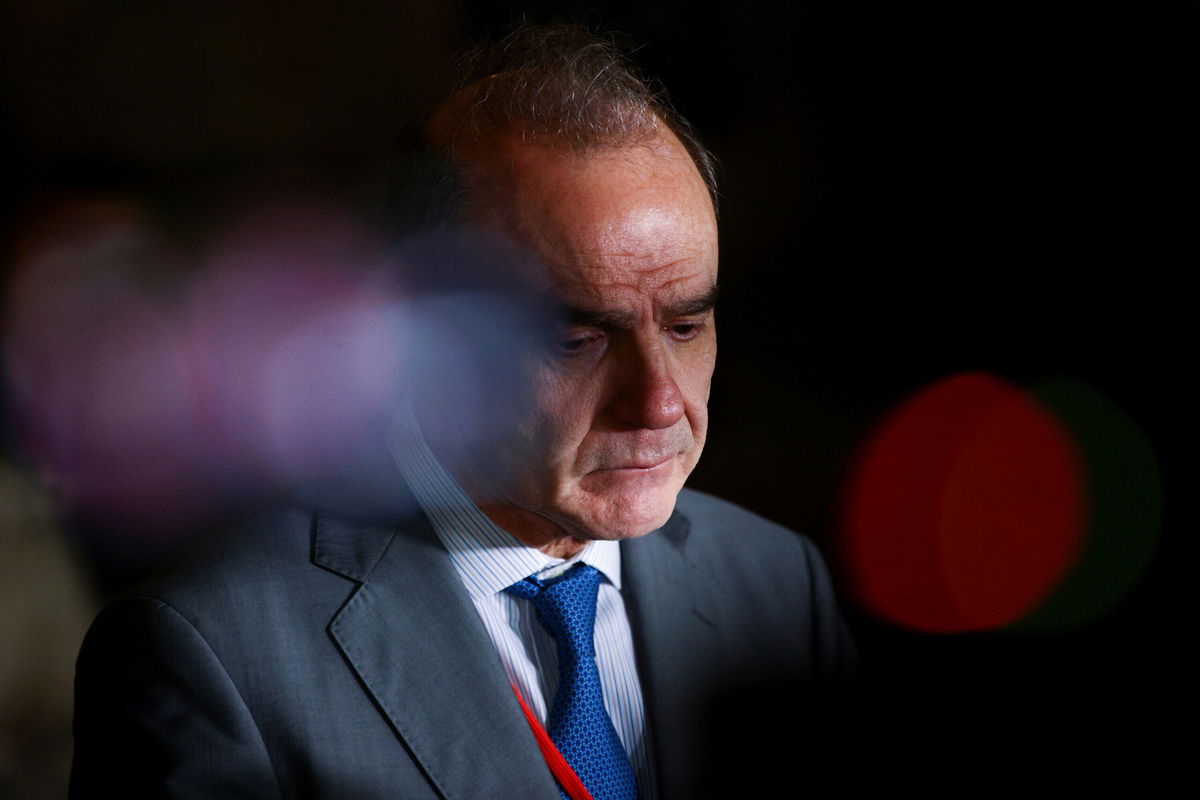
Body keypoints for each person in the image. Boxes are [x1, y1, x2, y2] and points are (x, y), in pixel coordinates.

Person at [70, 24, 855, 799]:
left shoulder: (779, 584)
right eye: (576, 339)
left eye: (686, 325)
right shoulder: (211, 654)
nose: (657, 402)